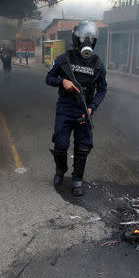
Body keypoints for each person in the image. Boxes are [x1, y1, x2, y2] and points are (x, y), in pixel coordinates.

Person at [45, 21, 107, 196]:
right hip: (65, 108)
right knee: (60, 143)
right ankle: (60, 169)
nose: (87, 41)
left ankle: (77, 179)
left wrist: (92, 108)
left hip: (84, 110)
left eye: (91, 38)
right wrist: (62, 81)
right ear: (76, 38)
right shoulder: (65, 59)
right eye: (83, 37)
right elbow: (49, 78)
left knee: (83, 146)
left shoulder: (97, 64)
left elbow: (103, 89)